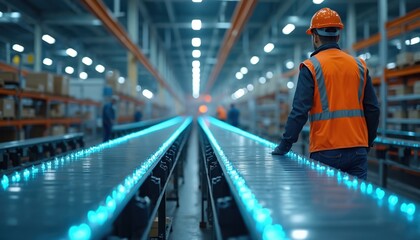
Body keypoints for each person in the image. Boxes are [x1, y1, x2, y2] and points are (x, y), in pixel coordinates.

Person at [271, 8, 380, 180]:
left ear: (314, 36)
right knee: (359, 205)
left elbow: (300, 111)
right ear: (338, 35)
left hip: (326, 150)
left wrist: (284, 145)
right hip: (357, 149)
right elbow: (373, 109)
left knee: (325, 205)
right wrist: (367, 142)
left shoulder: (311, 67)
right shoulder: (359, 65)